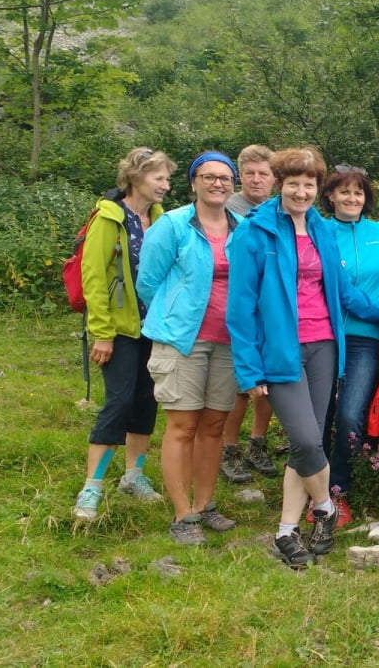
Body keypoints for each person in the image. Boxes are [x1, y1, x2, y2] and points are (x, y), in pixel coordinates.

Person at [226, 146, 379, 568]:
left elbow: (343, 292)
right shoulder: (254, 232)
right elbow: (240, 308)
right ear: (281, 185)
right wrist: (248, 367)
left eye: (309, 184)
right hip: (281, 350)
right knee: (303, 439)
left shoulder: (320, 229)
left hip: (324, 346)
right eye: (294, 184)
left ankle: (285, 530)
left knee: (310, 443)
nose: (301, 192)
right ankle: (326, 508)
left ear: (318, 190)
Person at [137, 151, 241, 544]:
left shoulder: (242, 227)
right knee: (182, 425)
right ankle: (182, 515)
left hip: (229, 341)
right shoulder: (173, 225)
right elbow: (148, 282)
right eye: (209, 177)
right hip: (182, 340)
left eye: (225, 178)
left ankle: (204, 504)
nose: (218, 183)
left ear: (234, 185)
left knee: (214, 426)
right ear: (194, 183)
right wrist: (176, 314)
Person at [72, 147, 176, 521]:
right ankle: (92, 487)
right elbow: (94, 278)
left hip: (155, 327)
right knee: (118, 401)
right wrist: (101, 333)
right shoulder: (108, 218)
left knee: (147, 400)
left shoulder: (163, 219)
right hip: (118, 330)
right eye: (159, 178)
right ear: (136, 177)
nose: (165, 185)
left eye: (167, 178)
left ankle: (134, 475)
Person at [315, 164, 379, 527]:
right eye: (344, 191)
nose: (352, 198)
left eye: (359, 192)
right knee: (318, 416)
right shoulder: (318, 231)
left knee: (351, 414)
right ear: (330, 196)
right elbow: (328, 286)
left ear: (366, 198)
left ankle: (339, 490)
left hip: (363, 339)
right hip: (321, 333)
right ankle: (315, 491)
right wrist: (377, 310)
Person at [221, 144, 280, 483]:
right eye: (250, 174)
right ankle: (229, 448)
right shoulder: (227, 209)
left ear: (274, 178)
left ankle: (257, 442)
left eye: (264, 174)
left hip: (271, 310)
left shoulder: (280, 210)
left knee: (269, 382)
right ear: (239, 176)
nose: (257, 180)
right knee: (241, 384)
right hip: (240, 305)